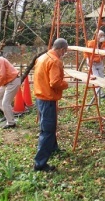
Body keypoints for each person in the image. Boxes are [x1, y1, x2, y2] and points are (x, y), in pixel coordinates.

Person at [33, 38, 69, 172]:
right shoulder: (55, 61)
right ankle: (40, 164)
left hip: (40, 96)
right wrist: (66, 84)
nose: (64, 54)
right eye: (65, 51)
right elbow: (55, 83)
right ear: (61, 49)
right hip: (47, 99)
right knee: (47, 131)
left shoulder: (42, 57)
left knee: (49, 126)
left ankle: (53, 148)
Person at [84, 29, 105, 99]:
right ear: (96, 36)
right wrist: (87, 59)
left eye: (103, 35)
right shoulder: (91, 43)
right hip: (92, 63)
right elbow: (85, 52)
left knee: (101, 77)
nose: (102, 37)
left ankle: (100, 92)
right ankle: (100, 95)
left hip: (100, 62)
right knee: (96, 77)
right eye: (100, 35)